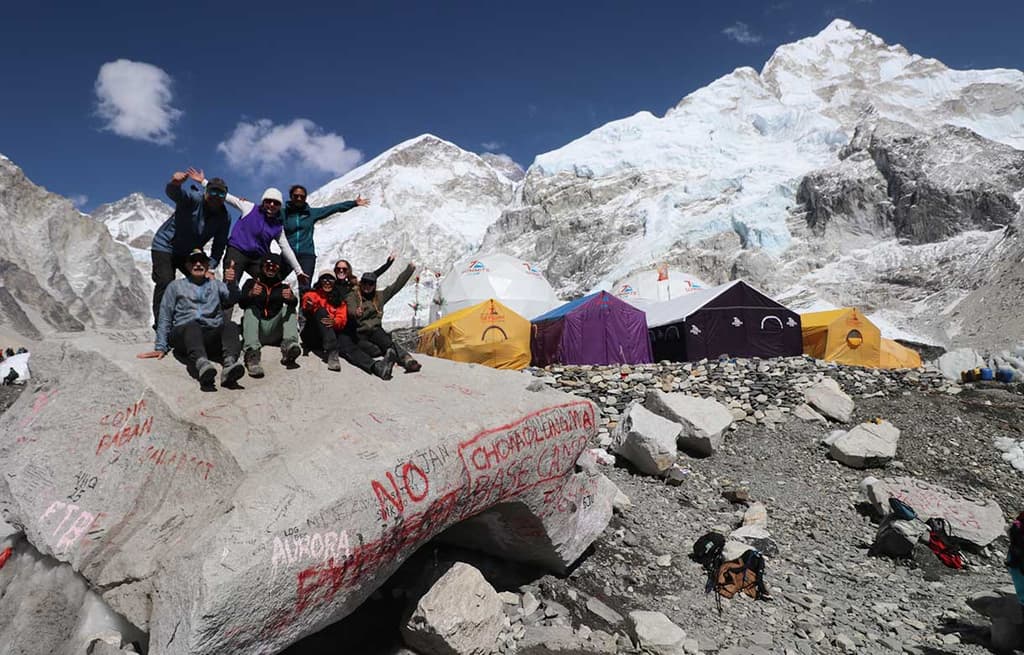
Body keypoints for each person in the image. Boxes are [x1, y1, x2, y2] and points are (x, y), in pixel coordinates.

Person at [138, 249, 244, 388]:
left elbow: (232, 299)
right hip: (184, 335)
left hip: (209, 333)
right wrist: (160, 346)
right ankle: (202, 365)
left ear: (207, 265)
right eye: (194, 261)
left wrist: (232, 283)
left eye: (202, 261)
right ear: (187, 266)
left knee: (230, 325)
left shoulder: (216, 285)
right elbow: (165, 315)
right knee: (192, 326)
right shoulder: (175, 286)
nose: (198, 264)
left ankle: (229, 365)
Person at [149, 168, 231, 329]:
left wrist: (211, 267)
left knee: (205, 283)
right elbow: (175, 194)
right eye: (213, 192)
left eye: (221, 194)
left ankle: (204, 322)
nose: (216, 197)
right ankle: (161, 326)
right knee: (165, 281)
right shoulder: (193, 199)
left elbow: (219, 246)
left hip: (189, 253)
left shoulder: (224, 217)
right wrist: (175, 183)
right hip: (166, 245)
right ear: (206, 191)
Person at [300, 272, 396, 380]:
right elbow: (306, 301)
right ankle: (332, 351)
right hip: (313, 335)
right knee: (321, 311)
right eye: (324, 279)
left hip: (331, 334)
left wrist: (334, 322)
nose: (327, 281)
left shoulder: (338, 300)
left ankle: (376, 367)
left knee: (347, 343)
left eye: (330, 279)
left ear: (334, 282)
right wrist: (308, 305)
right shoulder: (313, 294)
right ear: (320, 281)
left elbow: (342, 318)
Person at [280, 185, 370, 292]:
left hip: (306, 255)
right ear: (291, 196)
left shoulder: (311, 213)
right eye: (296, 196)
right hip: (288, 253)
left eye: (302, 196)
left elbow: (332, 208)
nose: (299, 198)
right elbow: (266, 214)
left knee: (305, 287)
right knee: (274, 278)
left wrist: (353, 203)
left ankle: (304, 309)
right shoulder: (282, 213)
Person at [345, 264, 422, 373]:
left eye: (370, 283)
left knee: (387, 342)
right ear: (361, 283)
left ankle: (407, 360)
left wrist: (409, 270)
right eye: (365, 282)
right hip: (359, 334)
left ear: (374, 285)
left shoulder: (379, 296)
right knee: (375, 350)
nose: (367, 286)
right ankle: (393, 355)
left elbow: (396, 286)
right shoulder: (353, 296)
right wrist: (356, 313)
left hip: (375, 331)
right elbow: (350, 308)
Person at [238, 254, 301, 377]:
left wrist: (291, 298)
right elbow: (242, 303)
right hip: (257, 330)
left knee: (288, 309)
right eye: (268, 266)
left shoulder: (282, 287)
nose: (271, 270)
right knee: (250, 309)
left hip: (275, 330)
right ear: (262, 267)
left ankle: (289, 345)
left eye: (274, 268)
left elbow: (294, 303)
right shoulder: (251, 283)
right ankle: (252, 354)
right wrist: (250, 294)